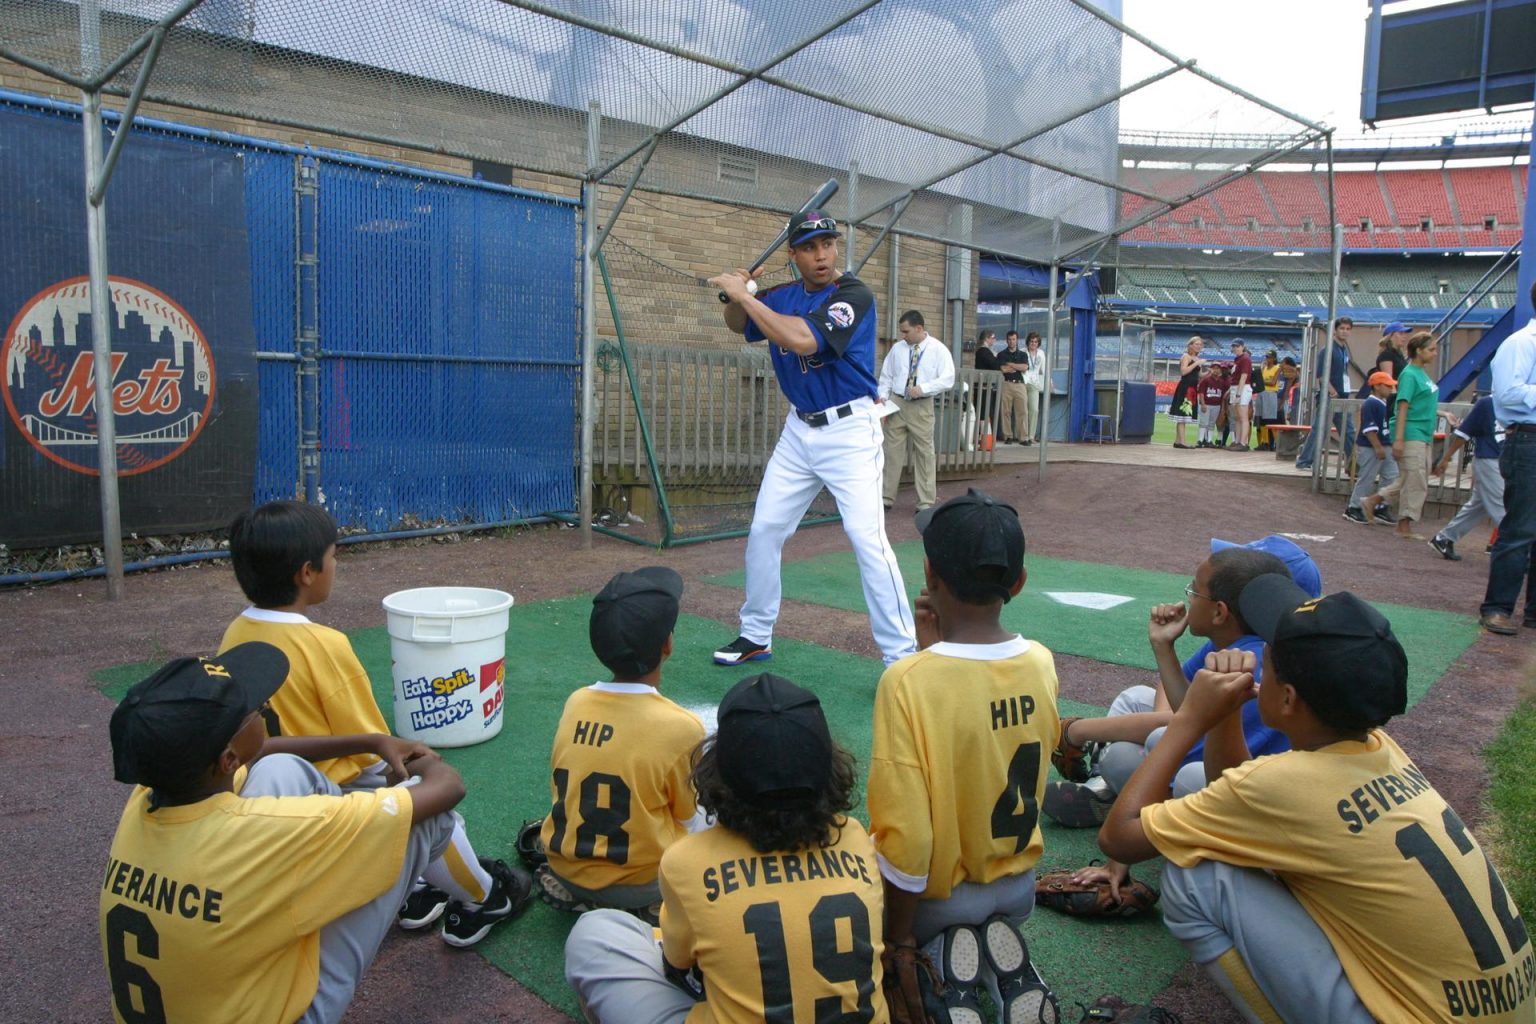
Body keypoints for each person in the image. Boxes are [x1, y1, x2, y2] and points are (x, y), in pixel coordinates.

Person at [1098, 573, 1533, 1024]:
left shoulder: (1284, 783)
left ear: (1286, 699)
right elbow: (1235, 790)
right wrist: (1224, 717)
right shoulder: (1383, 750)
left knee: (1197, 880)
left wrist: (1190, 718)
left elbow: (1120, 839)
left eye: (1268, 664)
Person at [102, 643, 472, 1024]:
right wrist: (418, 764)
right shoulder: (266, 830)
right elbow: (448, 788)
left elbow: (263, 751)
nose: (262, 704)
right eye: (253, 708)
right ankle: (486, 900)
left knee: (280, 767)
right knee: (423, 818)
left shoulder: (149, 794)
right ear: (228, 759)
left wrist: (373, 741)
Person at [220, 500, 529, 947]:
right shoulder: (322, 643)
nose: (334, 566)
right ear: (307, 573)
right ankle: (485, 897)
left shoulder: (235, 633)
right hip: (333, 798)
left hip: (271, 797)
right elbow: (374, 750)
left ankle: (418, 890)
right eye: (332, 558)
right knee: (431, 810)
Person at [564, 673, 889, 1024]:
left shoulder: (687, 861)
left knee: (594, 933)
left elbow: (677, 965)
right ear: (830, 768)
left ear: (716, 773)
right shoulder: (855, 838)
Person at [868, 489, 1061, 1021]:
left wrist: (898, 940)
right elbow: (979, 712)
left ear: (930, 574)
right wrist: (934, 651)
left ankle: (943, 968)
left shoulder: (906, 681)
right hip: (1018, 888)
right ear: (1017, 583)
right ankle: (1005, 975)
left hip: (940, 900)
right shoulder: (1041, 662)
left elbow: (909, 839)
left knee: (858, 857)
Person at [709, 210, 916, 666]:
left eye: (828, 244)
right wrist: (735, 295)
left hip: (850, 431)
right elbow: (735, 323)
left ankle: (902, 656)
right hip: (799, 430)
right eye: (809, 247)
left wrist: (748, 296)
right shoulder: (781, 295)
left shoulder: (852, 294)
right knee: (765, 529)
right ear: (793, 254)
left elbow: (803, 340)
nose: (821, 254)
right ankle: (756, 633)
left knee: (867, 539)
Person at [1044, 536, 1321, 832]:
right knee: (1137, 702)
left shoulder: (1250, 664)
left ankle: (1139, 812)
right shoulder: (1238, 641)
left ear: (1221, 611)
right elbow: (1185, 711)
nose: (1188, 598)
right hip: (1234, 768)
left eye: (1194, 592)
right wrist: (1164, 648)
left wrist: (1077, 729)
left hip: (1259, 801)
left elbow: (1184, 733)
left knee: (1155, 762)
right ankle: (1117, 794)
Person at [533, 567, 705, 922]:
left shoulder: (576, 701)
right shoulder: (682, 726)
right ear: (667, 644)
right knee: (711, 811)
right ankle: (649, 906)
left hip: (563, 866)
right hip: (641, 884)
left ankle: (583, 895)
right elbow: (686, 817)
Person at [1480, 279, 1536, 635]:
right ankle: (1497, 607)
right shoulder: (1519, 344)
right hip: (1528, 440)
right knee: (1520, 529)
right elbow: (1509, 394)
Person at [1363, 331, 1441, 541]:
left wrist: (1443, 413)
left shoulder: (1420, 374)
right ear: (1418, 351)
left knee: (1411, 477)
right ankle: (1403, 523)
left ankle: (1373, 501)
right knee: (1416, 480)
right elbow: (1403, 405)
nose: (1435, 353)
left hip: (1422, 433)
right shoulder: (1410, 374)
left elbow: (1418, 404)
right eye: (1431, 349)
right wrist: (1398, 439)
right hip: (1412, 433)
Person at [878, 310, 955, 512]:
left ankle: (926, 502)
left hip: (922, 404)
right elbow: (886, 376)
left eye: (906, 331)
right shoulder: (897, 349)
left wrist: (924, 388)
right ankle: (886, 497)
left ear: (919, 328)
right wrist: (883, 400)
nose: (903, 335)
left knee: (924, 454)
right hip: (897, 403)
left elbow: (948, 378)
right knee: (891, 452)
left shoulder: (938, 350)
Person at [1430, 395, 1505, 562]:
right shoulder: (1487, 403)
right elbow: (1464, 433)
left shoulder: (1518, 399)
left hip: (1507, 460)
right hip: (1489, 459)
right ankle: (1518, 551)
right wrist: (1446, 458)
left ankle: (1445, 538)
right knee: (1504, 505)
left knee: (1479, 505)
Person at [1295, 316, 1355, 470]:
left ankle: (1354, 462)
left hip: (1342, 396)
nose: (1345, 332)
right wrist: (1332, 391)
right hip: (1330, 396)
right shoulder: (1327, 349)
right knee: (1319, 429)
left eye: (1348, 329)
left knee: (1348, 432)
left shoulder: (1343, 349)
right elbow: (1321, 375)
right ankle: (1304, 461)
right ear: (1335, 330)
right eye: (1342, 328)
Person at [1342, 371, 1401, 526]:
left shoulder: (1380, 402)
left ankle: (1381, 506)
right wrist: (1378, 447)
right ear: (1376, 386)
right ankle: (1353, 507)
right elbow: (1369, 429)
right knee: (1367, 477)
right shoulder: (1371, 403)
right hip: (1372, 446)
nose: (1391, 388)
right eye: (1387, 386)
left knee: (1391, 475)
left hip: (1383, 443)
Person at [1357, 321, 1410, 399]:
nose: (1404, 336)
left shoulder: (1399, 355)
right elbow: (1388, 380)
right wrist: (1394, 398)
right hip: (1393, 397)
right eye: (1400, 333)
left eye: (1405, 333)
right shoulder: (1387, 355)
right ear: (1391, 336)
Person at [1168, 337, 1204, 450]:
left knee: (1183, 416)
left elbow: (1199, 376)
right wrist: (1196, 363)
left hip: (1193, 389)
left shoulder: (1197, 358)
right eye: (1196, 344)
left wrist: (1210, 373)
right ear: (1190, 345)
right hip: (1185, 388)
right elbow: (1184, 372)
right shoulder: (1186, 356)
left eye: (1200, 344)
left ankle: (1178, 441)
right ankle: (1182, 442)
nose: (1199, 346)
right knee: (1182, 415)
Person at [997, 330, 1029, 444]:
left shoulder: (1023, 354)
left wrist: (1010, 364)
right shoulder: (1001, 354)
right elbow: (1003, 369)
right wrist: (1016, 367)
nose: (1011, 342)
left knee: (1022, 411)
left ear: (1017, 340)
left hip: (1020, 384)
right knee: (1006, 411)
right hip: (1007, 383)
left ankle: (1023, 437)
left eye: (1013, 339)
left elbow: (1024, 367)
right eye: (1009, 339)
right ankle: (1008, 436)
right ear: (1006, 340)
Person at [1225, 341, 1254, 451]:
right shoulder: (1238, 359)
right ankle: (1237, 441)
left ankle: (1243, 443)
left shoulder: (1245, 359)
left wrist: (1238, 394)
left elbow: (1244, 377)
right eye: (1234, 346)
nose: (1236, 348)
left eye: (1238, 346)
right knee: (1237, 417)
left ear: (1242, 347)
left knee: (1243, 416)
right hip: (1235, 386)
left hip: (1242, 387)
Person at [1197, 363, 1229, 448]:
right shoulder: (1206, 380)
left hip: (1216, 405)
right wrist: (1203, 404)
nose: (1216, 370)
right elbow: (1201, 393)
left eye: (1218, 368)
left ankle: (1209, 440)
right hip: (1207, 404)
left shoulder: (1221, 381)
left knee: (1211, 423)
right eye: (1214, 368)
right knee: (1203, 423)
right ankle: (1200, 440)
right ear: (1211, 369)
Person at [1022, 331, 1046, 445]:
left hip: (1034, 383)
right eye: (1031, 341)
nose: (1033, 343)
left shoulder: (1041, 353)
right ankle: (1022, 435)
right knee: (1022, 410)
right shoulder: (1022, 352)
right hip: (1023, 381)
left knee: (1034, 409)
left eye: (1036, 342)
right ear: (1028, 342)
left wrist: (1049, 381)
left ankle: (1031, 435)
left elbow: (1044, 369)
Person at [1254, 349, 1281, 450]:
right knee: (1261, 419)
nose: (1267, 359)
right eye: (1266, 357)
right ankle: (1264, 442)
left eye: (1269, 357)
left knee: (1270, 419)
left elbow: (1273, 382)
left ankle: (1277, 444)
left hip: (1270, 394)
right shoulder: (1264, 368)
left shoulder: (1277, 368)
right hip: (1261, 393)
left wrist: (1261, 381)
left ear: (1274, 358)